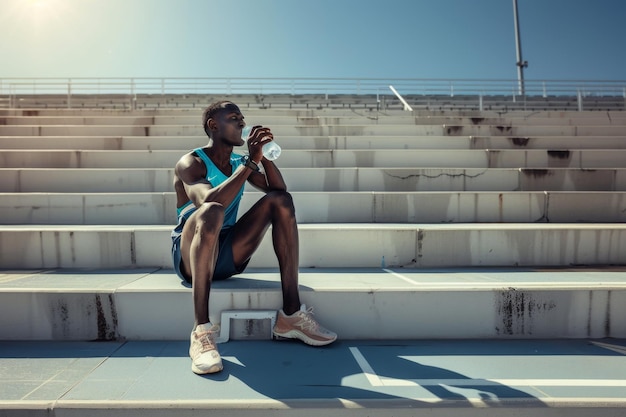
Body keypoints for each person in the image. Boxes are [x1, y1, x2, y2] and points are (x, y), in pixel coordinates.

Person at [171, 100, 337, 374]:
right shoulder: (192, 162)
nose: (242, 123)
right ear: (214, 125)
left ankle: (291, 316)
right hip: (192, 255)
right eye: (234, 118)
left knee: (281, 201)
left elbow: (278, 191)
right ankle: (201, 331)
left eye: (242, 118)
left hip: (226, 254)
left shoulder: (239, 162)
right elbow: (209, 201)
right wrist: (249, 163)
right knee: (211, 211)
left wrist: (264, 157)